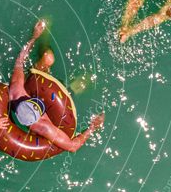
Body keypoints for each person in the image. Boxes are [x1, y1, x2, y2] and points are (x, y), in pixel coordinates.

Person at [6, 19, 104, 152]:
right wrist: (93, 128)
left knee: (48, 58)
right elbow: (73, 146)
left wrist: (34, 37)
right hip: (59, 110)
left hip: (34, 84)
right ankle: (83, 82)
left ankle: (44, 37)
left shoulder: (16, 91)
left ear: (25, 99)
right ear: (40, 116)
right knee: (86, 81)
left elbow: (20, 61)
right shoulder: (42, 126)